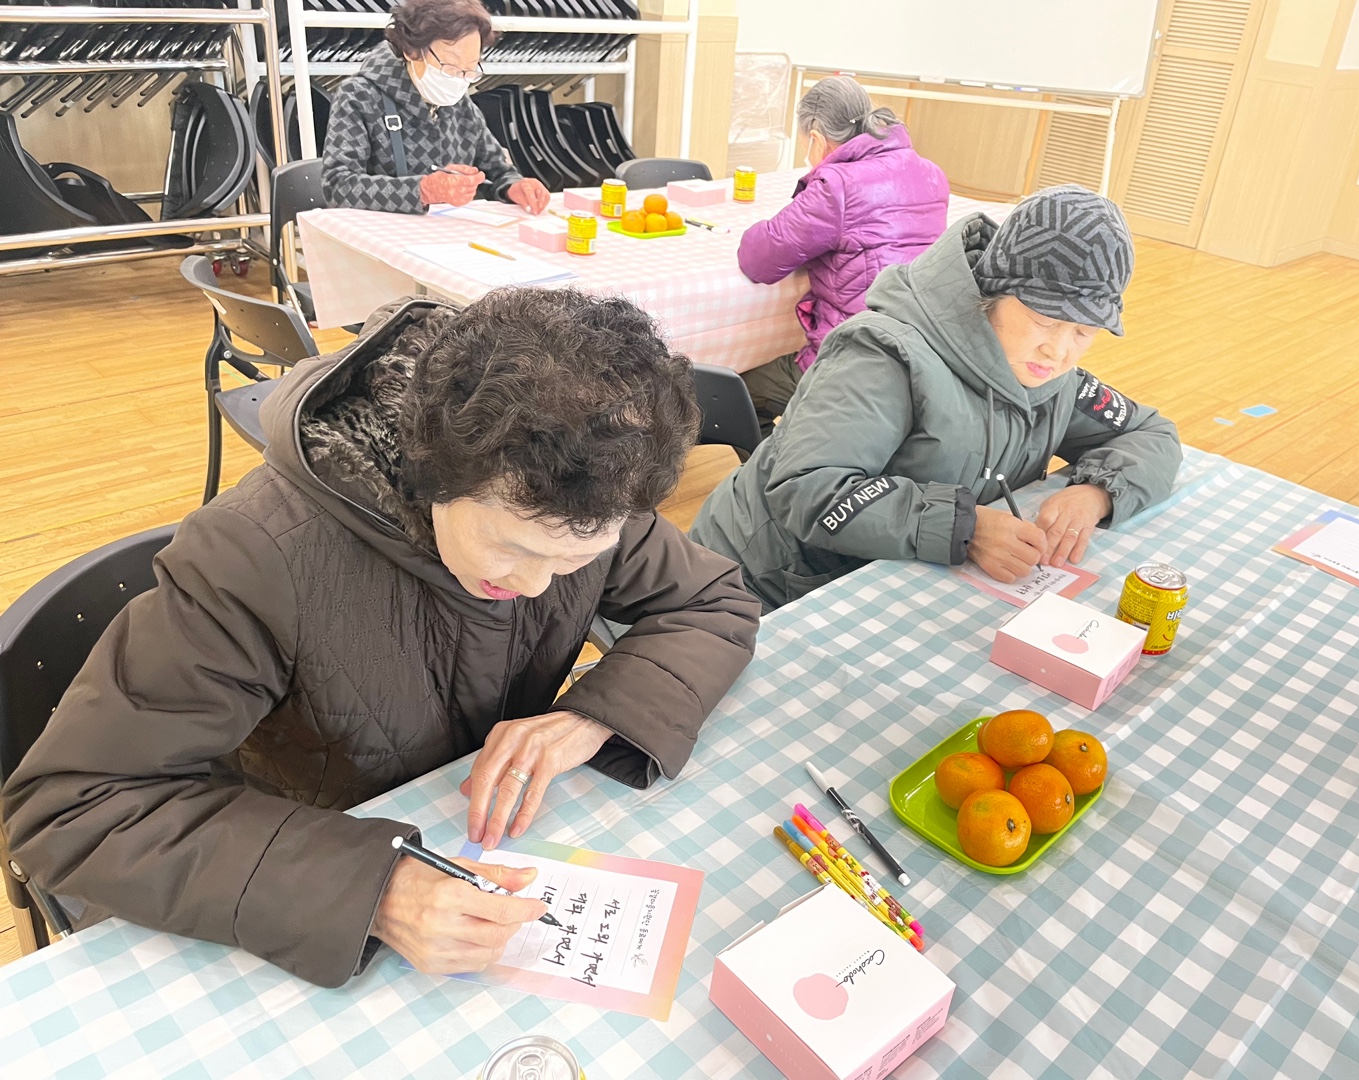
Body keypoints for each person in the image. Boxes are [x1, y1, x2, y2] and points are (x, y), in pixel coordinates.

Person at [2, 289, 760, 988]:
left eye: (577, 562)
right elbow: (71, 808)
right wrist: (375, 891)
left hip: (467, 837)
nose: (538, 585)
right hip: (285, 862)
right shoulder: (255, 558)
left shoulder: (583, 486)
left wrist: (590, 715)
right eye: (512, 550)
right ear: (433, 474)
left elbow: (713, 600)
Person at [690, 185, 1182, 613]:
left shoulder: (1053, 378)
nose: (1058, 351)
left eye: (1083, 332)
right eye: (1044, 320)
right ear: (994, 289)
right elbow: (809, 488)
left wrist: (1096, 493)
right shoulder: (884, 355)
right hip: (755, 587)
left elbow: (1152, 432)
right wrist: (965, 527)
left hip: (886, 581)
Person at [737, 76, 950, 429]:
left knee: (739, 391)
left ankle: (781, 459)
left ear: (817, 138)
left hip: (854, 360)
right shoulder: (931, 173)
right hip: (922, 356)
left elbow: (758, 260)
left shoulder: (835, 186)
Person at [321, 0, 550, 215]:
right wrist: (423, 190)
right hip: (375, 237)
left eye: (469, 69)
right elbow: (338, 185)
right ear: (412, 51)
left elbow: (498, 170)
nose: (458, 79)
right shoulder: (359, 96)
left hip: (447, 234)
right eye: (450, 66)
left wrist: (514, 186)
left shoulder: (461, 106)